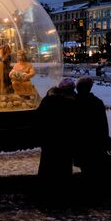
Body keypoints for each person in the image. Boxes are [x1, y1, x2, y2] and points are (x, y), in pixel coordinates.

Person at [36, 77, 78, 206]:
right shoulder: (72, 103)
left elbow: (38, 117)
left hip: (49, 140)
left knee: (47, 166)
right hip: (64, 142)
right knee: (63, 167)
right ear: (70, 90)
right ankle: (63, 195)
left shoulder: (48, 100)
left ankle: (45, 194)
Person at [74, 76, 111, 202]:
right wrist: (106, 140)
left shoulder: (74, 102)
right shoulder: (97, 102)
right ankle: (96, 192)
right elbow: (103, 124)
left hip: (81, 142)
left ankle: (88, 193)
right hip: (95, 141)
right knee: (94, 166)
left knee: (85, 167)